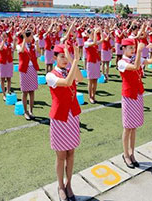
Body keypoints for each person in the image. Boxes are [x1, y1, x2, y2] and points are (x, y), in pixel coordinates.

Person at [45, 44, 83, 201]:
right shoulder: (50, 75)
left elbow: (79, 79)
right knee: (61, 155)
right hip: (60, 118)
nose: (65, 60)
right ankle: (60, 186)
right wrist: (74, 61)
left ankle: (69, 184)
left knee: (71, 153)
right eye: (62, 56)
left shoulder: (70, 68)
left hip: (72, 115)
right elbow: (67, 82)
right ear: (54, 58)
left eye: (66, 56)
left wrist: (74, 60)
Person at [117, 38, 152, 168]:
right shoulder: (121, 62)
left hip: (138, 93)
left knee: (134, 127)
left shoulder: (135, 57)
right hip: (129, 95)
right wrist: (139, 51)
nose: (133, 50)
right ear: (123, 49)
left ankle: (132, 152)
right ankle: (125, 154)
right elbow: (135, 67)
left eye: (133, 48)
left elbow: (151, 61)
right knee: (127, 127)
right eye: (130, 48)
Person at [17, 30, 40, 120]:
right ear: (26, 37)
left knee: (32, 91)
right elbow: (22, 50)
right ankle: (25, 111)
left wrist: (37, 42)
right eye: (31, 36)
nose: (32, 37)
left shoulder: (32, 45)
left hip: (32, 69)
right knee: (25, 92)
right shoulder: (19, 45)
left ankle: (31, 110)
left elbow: (39, 52)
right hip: (24, 70)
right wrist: (24, 40)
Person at [84, 28, 101, 104]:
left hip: (96, 62)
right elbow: (94, 42)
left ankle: (94, 96)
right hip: (90, 62)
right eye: (91, 33)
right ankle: (90, 96)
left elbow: (103, 40)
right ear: (88, 34)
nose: (93, 35)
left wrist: (100, 31)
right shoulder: (86, 43)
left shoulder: (95, 42)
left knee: (95, 80)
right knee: (90, 80)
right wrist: (95, 33)